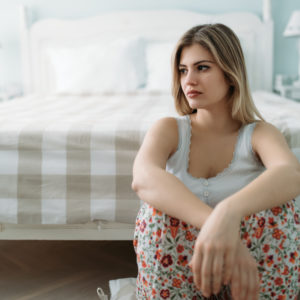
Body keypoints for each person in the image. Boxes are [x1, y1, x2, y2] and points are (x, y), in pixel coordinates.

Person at [132, 23, 300, 300]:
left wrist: (229, 213)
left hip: (249, 270)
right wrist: (215, 224)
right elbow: (143, 177)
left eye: (202, 68)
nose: (189, 80)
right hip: (180, 269)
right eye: (183, 70)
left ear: (231, 74)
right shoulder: (168, 129)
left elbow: (291, 173)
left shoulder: (260, 133)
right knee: (156, 210)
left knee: (283, 204)